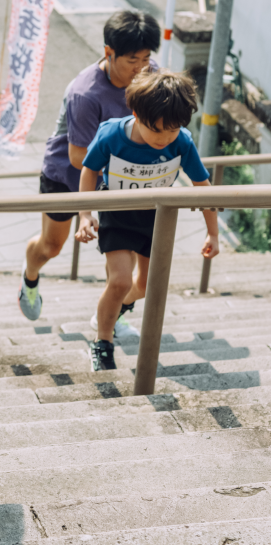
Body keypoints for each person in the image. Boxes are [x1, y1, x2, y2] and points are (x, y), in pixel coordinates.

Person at [18, 9, 160, 336]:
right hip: (66, 176)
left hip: (122, 181)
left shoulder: (151, 76)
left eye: (146, 58)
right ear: (109, 53)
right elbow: (78, 156)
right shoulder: (85, 93)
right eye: (132, 60)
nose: (141, 68)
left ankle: (112, 318)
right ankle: (29, 275)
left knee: (129, 265)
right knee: (51, 247)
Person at [75, 69, 218, 371]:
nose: (165, 139)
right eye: (158, 130)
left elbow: (203, 187)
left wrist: (213, 233)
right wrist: (85, 214)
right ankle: (103, 342)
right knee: (120, 281)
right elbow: (89, 170)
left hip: (158, 217)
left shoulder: (182, 142)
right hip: (117, 213)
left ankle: (114, 309)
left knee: (148, 285)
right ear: (137, 115)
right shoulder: (112, 134)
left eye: (173, 130)